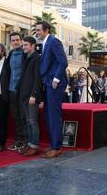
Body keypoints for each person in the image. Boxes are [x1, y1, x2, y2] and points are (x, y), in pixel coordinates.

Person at [36, 21, 68, 158]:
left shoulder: (54, 41)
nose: (36, 32)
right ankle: (54, 144)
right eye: (36, 30)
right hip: (47, 83)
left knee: (54, 115)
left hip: (55, 83)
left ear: (46, 30)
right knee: (49, 114)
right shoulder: (45, 43)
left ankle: (57, 147)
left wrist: (56, 79)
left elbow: (63, 62)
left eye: (38, 30)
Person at [18, 36, 43, 156]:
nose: (23, 47)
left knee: (32, 121)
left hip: (32, 96)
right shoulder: (26, 57)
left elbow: (38, 79)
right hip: (24, 95)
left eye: (26, 45)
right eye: (23, 45)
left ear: (33, 45)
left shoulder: (37, 58)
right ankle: (29, 143)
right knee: (28, 121)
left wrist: (34, 95)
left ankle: (34, 145)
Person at [6, 32, 27, 151]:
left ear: (21, 40)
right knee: (16, 116)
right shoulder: (11, 54)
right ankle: (19, 141)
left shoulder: (25, 54)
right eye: (13, 40)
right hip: (11, 89)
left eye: (17, 40)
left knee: (24, 116)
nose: (15, 42)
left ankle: (26, 141)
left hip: (22, 90)